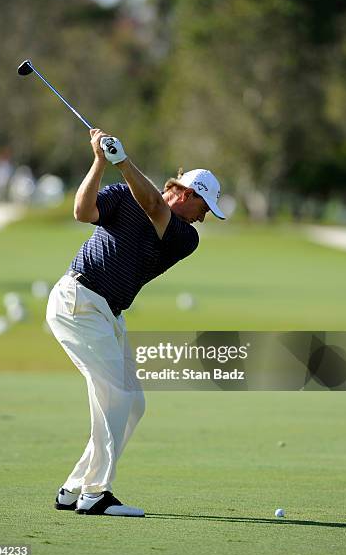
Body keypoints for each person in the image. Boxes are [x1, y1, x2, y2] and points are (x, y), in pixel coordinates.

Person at [46, 129, 225, 517]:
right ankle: (95, 494)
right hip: (77, 301)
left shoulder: (184, 237)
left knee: (132, 404)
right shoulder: (123, 194)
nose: (204, 217)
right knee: (116, 395)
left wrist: (123, 161)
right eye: (204, 207)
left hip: (108, 313)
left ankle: (74, 487)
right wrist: (99, 160)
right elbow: (82, 212)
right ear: (187, 193)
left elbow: (156, 210)